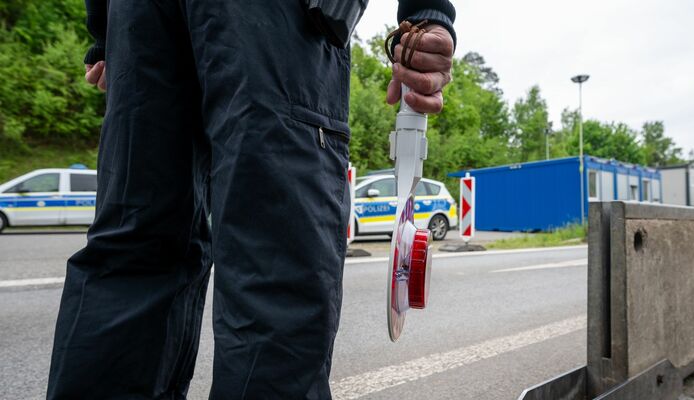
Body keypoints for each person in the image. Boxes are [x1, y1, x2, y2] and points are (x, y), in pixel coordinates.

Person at [46, 0, 455, 399]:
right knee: (272, 266)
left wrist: (106, 32)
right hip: (271, 18)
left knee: (132, 254)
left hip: (137, 16)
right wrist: (428, 12)